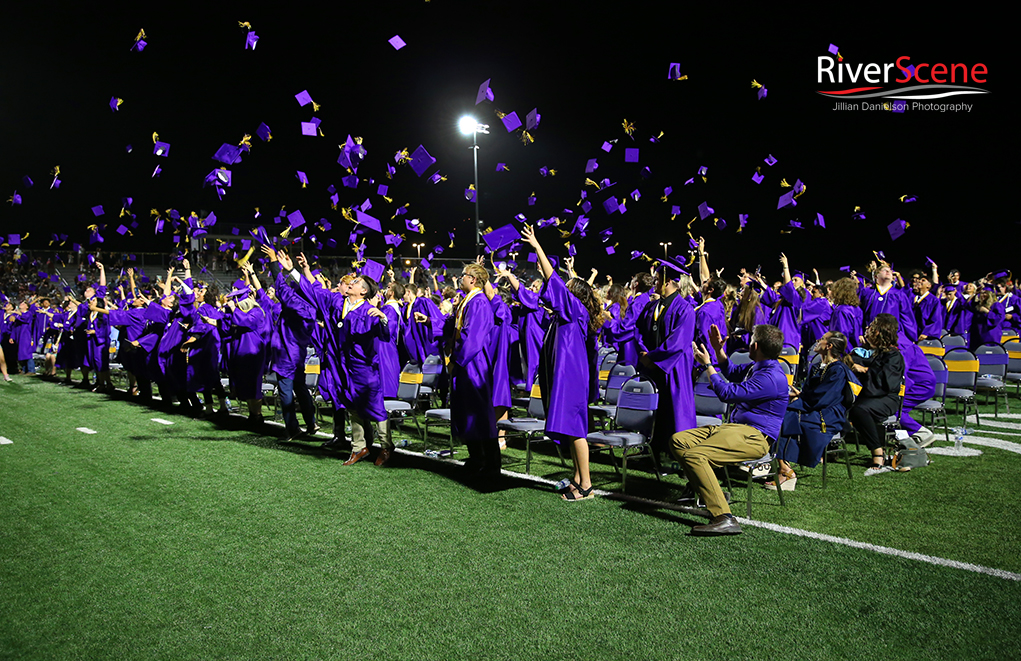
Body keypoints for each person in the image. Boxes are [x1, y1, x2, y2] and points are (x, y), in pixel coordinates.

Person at [670, 323, 789, 535]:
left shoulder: (770, 377)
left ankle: (724, 517)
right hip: (736, 429)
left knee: (695, 456)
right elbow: (732, 372)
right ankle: (707, 490)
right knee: (679, 440)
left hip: (755, 436)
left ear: (755, 347)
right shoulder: (761, 366)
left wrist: (708, 365)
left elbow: (727, 393)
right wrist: (718, 351)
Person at [521, 225, 600, 500]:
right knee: (569, 428)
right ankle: (578, 480)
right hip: (566, 375)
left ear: (573, 294)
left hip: (572, 377)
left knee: (576, 429)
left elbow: (550, 276)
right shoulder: (568, 311)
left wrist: (537, 246)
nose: (561, 291)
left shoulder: (575, 309)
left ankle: (587, 485)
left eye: (567, 288)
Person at [294, 253, 393, 466]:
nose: (350, 282)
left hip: (364, 368)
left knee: (375, 406)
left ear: (363, 291)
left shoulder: (370, 311)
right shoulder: (339, 303)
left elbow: (386, 334)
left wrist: (383, 319)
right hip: (343, 366)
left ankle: (386, 447)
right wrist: (302, 270)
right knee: (351, 405)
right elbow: (317, 291)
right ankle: (360, 447)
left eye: (356, 282)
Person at [771, 331, 860, 489]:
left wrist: (799, 400)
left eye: (822, 339)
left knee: (786, 416)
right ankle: (780, 465)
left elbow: (823, 398)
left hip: (828, 414)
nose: (818, 341)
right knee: (779, 414)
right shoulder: (817, 366)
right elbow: (810, 393)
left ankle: (785, 470)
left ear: (829, 346)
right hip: (812, 406)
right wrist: (799, 396)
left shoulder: (837, 369)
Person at [446, 260, 499, 476]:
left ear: (473, 279)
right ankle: (476, 457)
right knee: (467, 411)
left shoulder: (478, 302)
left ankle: (492, 464)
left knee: (479, 413)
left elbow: (473, 339)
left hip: (473, 364)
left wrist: (456, 361)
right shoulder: (468, 301)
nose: (460, 278)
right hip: (466, 363)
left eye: (463, 275)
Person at [636, 264, 696, 450]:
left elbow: (678, 342)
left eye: (658, 280)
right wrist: (644, 352)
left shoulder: (685, 309)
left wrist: (652, 358)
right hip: (652, 367)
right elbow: (638, 331)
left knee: (674, 411)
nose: (655, 283)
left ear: (668, 282)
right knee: (652, 410)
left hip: (673, 368)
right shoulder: (652, 306)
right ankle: (651, 450)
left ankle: (677, 454)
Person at [847, 314, 905, 476]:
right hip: (871, 396)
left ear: (880, 332)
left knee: (859, 410)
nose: (867, 328)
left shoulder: (894, 356)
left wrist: (864, 370)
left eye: (872, 326)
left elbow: (885, 384)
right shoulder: (875, 353)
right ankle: (829, 447)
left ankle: (877, 452)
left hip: (886, 398)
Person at [828, 277, 863, 350]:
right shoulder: (857, 309)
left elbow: (841, 336)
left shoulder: (841, 311)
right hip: (856, 349)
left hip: (846, 350)